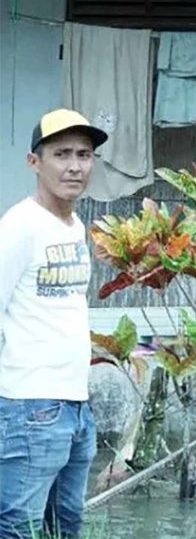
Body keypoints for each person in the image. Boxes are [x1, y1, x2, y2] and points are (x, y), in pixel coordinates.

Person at [0, 108, 107, 538]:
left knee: (65, 525)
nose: (75, 166)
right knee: (19, 527)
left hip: (75, 406)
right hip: (29, 404)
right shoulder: (19, 227)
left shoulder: (74, 225)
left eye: (84, 154)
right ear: (34, 162)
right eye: (61, 154)